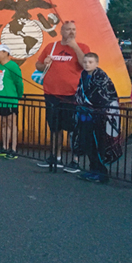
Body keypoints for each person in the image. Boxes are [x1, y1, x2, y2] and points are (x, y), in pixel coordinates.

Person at [35, 21, 90, 171]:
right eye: (68, 30)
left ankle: (75, 160)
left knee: (73, 128)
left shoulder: (82, 47)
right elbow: (38, 66)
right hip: (52, 93)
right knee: (55, 127)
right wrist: (44, 63)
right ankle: (55, 157)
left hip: (71, 95)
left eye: (74, 29)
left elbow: (85, 64)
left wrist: (74, 46)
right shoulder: (51, 47)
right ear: (62, 31)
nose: (71, 32)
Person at [73, 53, 121, 184]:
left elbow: (106, 97)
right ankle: (92, 169)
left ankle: (101, 172)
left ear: (96, 63)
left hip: (99, 118)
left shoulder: (102, 77)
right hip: (85, 116)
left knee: (98, 145)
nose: (87, 64)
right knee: (88, 144)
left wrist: (91, 105)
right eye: (85, 62)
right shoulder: (83, 75)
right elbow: (80, 92)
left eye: (90, 62)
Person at [0, 45, 23, 160]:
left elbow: (19, 82)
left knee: (11, 124)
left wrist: (18, 96)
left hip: (10, 100)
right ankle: (5, 146)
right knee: (4, 124)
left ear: (5, 53)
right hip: (0, 100)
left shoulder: (13, 66)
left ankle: (13, 148)